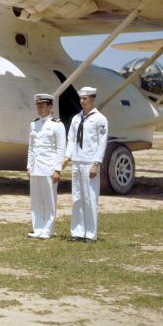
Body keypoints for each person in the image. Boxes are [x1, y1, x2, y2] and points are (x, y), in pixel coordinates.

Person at [66, 86, 108, 241]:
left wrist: (96, 163)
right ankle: (77, 232)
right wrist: (67, 156)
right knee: (77, 198)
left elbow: (102, 143)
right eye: (81, 99)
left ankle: (91, 234)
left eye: (85, 98)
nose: (82, 101)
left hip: (90, 162)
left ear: (92, 99)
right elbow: (71, 139)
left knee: (90, 198)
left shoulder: (100, 119)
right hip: (76, 162)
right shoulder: (76, 118)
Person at [26, 93, 66, 239]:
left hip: (49, 167)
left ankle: (48, 229)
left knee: (49, 200)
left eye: (42, 105)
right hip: (36, 168)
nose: (39, 107)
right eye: (38, 105)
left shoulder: (57, 124)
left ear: (50, 106)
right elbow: (31, 147)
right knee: (36, 200)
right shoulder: (34, 123)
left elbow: (61, 148)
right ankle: (38, 228)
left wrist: (58, 169)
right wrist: (29, 166)